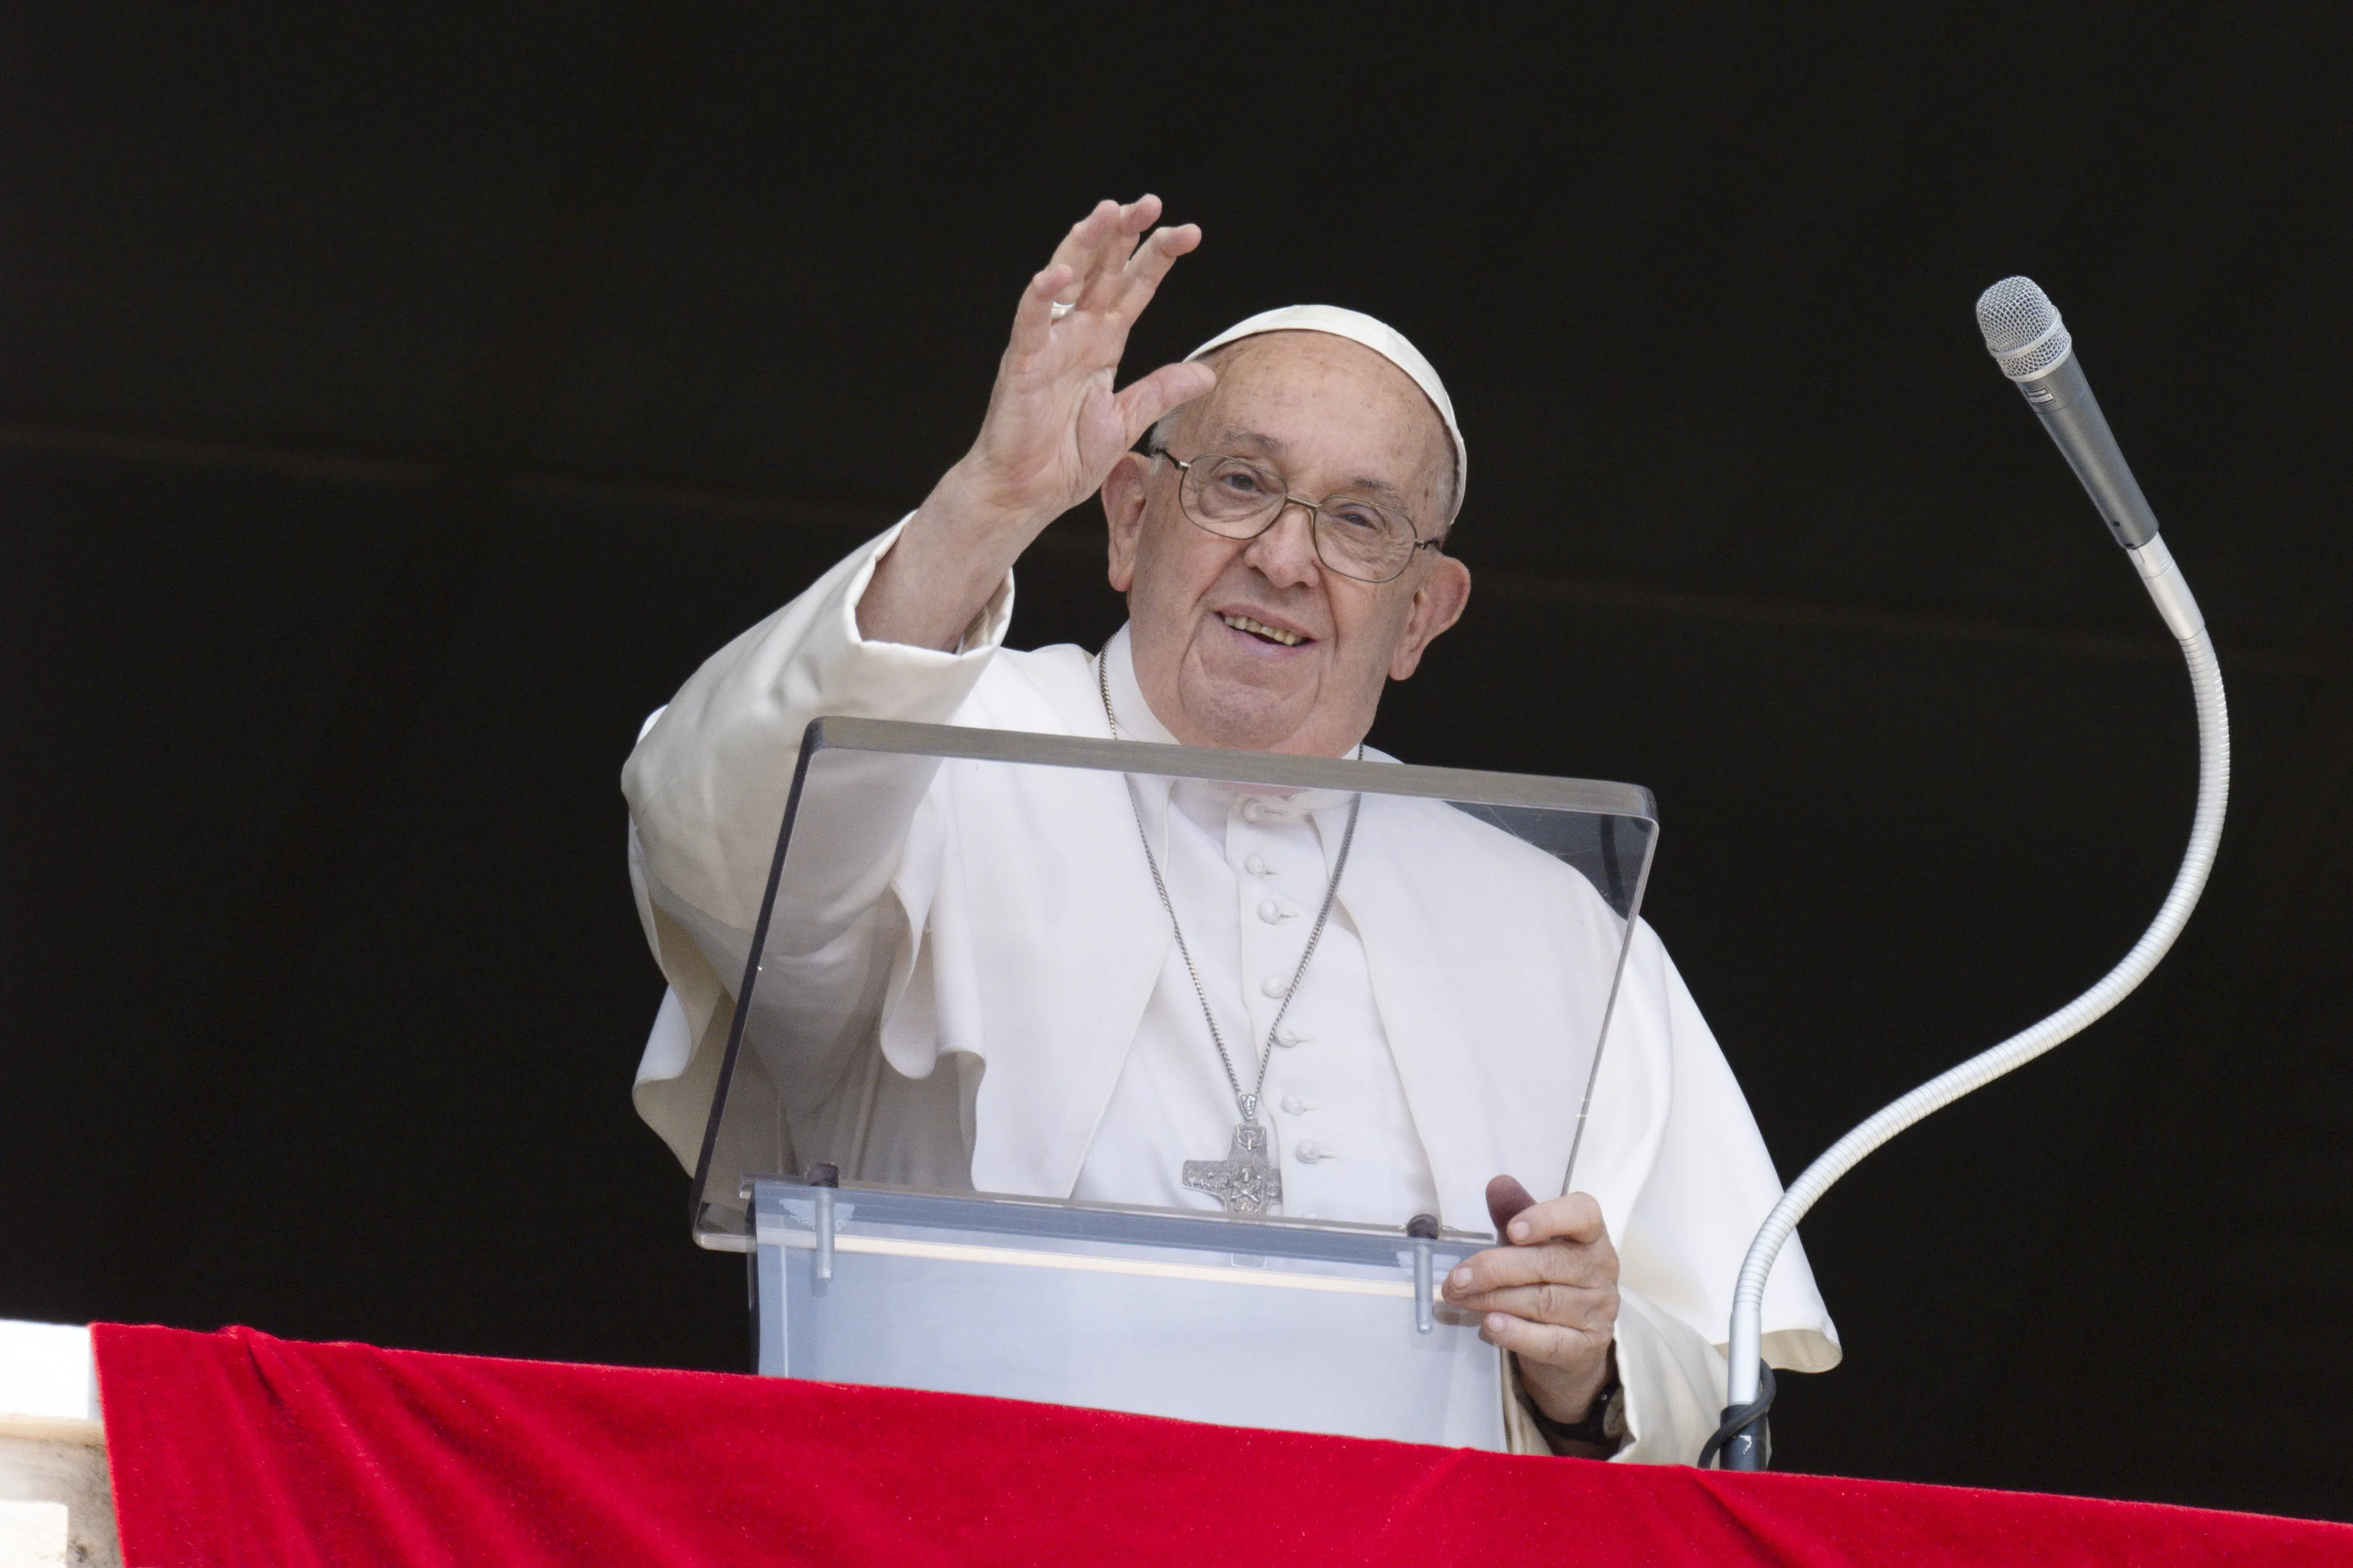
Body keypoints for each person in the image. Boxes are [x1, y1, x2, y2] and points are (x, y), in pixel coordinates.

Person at [622, 196, 1838, 1461]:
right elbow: (711, 834)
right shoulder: (930, 751)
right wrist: (983, 507)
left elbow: (1718, 1375)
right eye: (1241, 484)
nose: (1283, 557)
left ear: (1422, 615)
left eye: (1359, 522)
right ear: (1132, 515)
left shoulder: (1551, 926)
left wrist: (1584, 1366)